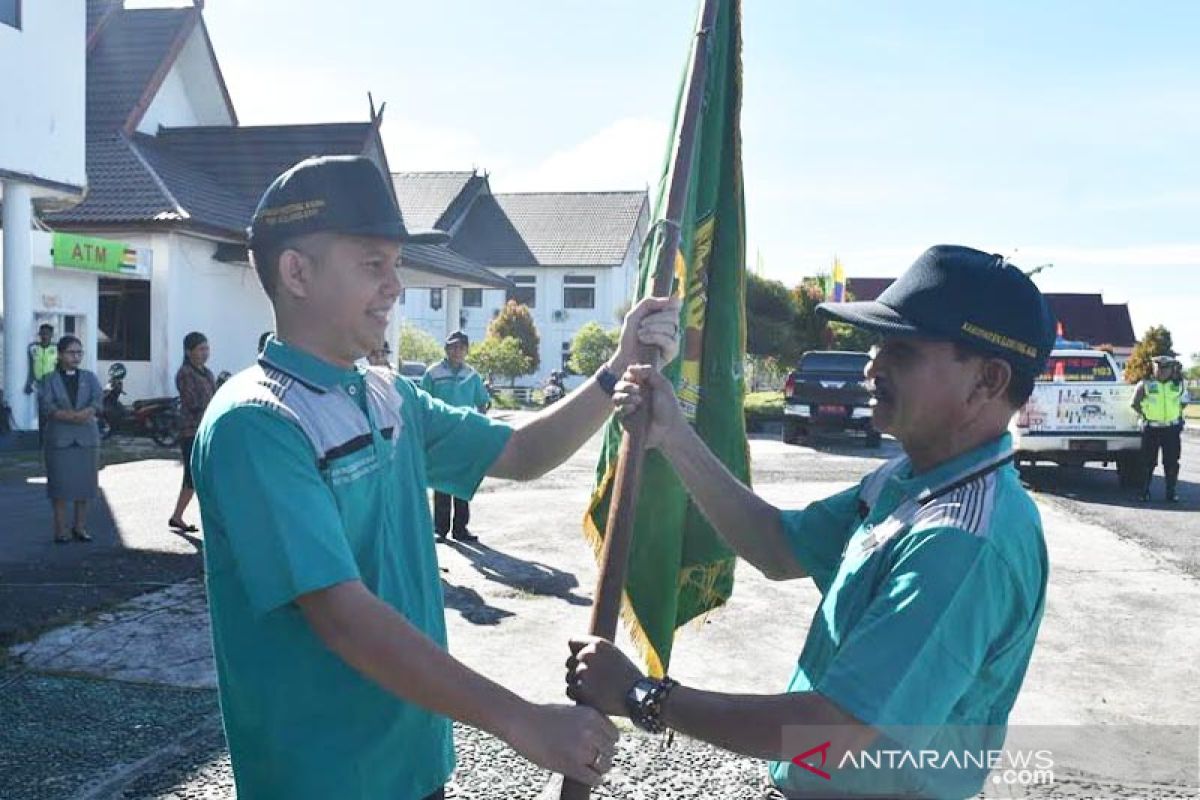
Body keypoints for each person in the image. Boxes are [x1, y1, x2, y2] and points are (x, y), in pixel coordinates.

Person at [190, 155, 680, 800]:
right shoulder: (257, 423)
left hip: (414, 759)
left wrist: (615, 370)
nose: (396, 286)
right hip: (321, 774)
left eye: (396, 264)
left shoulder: (390, 392)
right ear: (297, 271)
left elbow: (519, 451)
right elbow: (341, 614)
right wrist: (522, 721)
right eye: (373, 264)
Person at [568, 245, 1056, 800]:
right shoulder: (908, 480)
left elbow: (836, 729)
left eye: (901, 351)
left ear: (988, 381)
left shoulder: (961, 541)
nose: (872, 366)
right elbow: (778, 546)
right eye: (876, 345)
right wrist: (673, 436)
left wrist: (644, 696)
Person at [421, 331, 490, 542]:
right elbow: (422, 403)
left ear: (467, 350)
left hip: (465, 435)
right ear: (446, 349)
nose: (457, 351)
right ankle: (439, 529)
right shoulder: (433, 373)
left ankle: (461, 528)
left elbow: (482, 403)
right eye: (453, 347)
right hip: (440, 435)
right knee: (441, 482)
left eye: (461, 347)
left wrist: (480, 427)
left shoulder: (472, 375)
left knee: (462, 482)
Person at [38, 336, 104, 544]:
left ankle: (80, 527)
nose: (76, 357)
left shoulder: (89, 377)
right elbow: (46, 405)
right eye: (71, 352)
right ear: (60, 354)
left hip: (86, 438)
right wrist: (66, 416)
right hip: (60, 439)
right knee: (60, 486)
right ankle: (60, 529)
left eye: (79, 353)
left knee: (84, 485)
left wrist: (88, 411)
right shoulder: (49, 379)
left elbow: (98, 399)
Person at [170, 331, 217, 532]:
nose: (205, 353)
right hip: (191, 431)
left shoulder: (207, 373)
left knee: (199, 476)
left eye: (206, 348)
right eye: (200, 349)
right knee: (193, 476)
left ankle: (177, 516)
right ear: (189, 352)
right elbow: (193, 403)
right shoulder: (185, 373)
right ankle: (178, 516)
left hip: (206, 429)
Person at [1131, 354, 1188, 503]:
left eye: (1166, 368)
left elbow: (1183, 402)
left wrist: (1175, 416)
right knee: (1147, 463)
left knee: (1171, 462)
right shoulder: (1145, 384)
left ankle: (1171, 492)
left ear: (1171, 369)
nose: (1162, 371)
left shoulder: (1179, 384)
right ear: (1153, 368)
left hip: (1171, 429)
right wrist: (1146, 415)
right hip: (1151, 429)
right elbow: (1135, 403)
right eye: (1159, 368)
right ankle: (1143, 492)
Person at [26, 323, 57, 437]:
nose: (44, 336)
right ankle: (42, 437)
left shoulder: (56, 349)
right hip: (40, 383)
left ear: (51, 335)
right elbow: (30, 367)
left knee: (53, 410)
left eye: (47, 334)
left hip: (53, 383)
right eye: (42, 334)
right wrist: (29, 382)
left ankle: (53, 435)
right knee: (42, 411)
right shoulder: (33, 348)